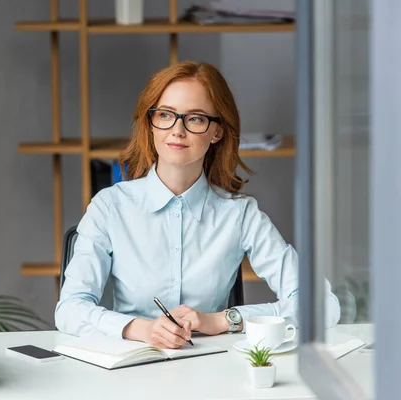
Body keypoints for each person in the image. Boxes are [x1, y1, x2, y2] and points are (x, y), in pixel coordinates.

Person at [55, 61, 341, 349]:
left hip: (211, 370)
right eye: (166, 115)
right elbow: (68, 310)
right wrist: (139, 328)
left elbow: (323, 306)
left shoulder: (240, 214)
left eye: (195, 119)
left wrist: (225, 320)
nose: (177, 130)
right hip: (131, 369)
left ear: (217, 132)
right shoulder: (110, 206)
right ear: (150, 123)